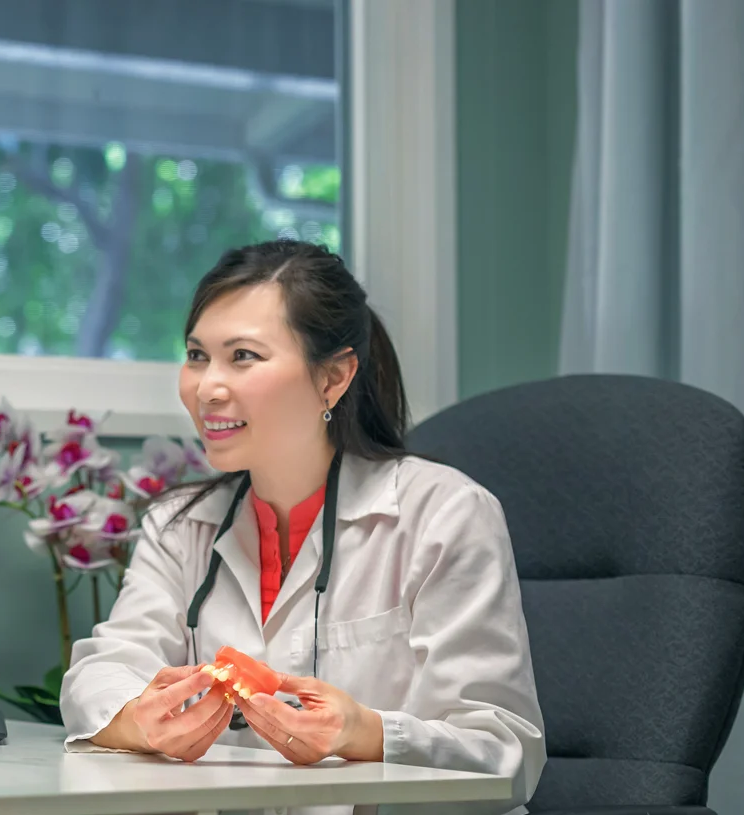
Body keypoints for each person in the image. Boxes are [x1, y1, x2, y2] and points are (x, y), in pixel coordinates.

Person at [60, 240, 545, 814]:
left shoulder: (443, 514)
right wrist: (137, 720)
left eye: (242, 356)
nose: (207, 387)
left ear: (333, 377)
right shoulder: (179, 525)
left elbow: (504, 752)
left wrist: (366, 733)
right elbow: (103, 671)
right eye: (197, 355)